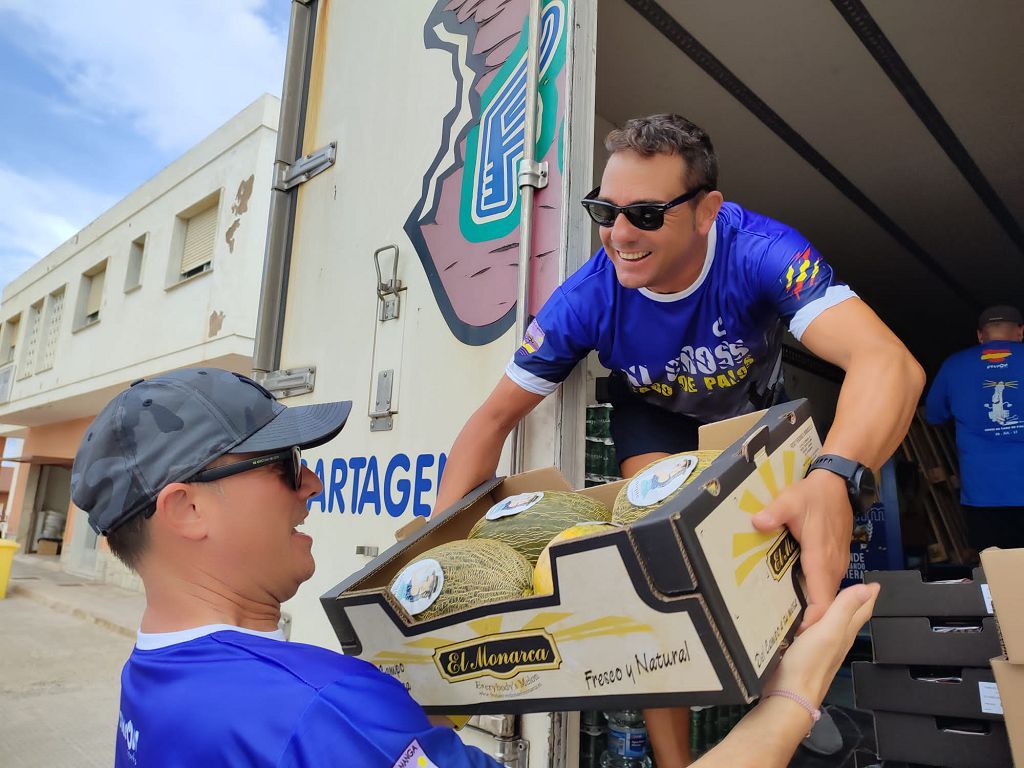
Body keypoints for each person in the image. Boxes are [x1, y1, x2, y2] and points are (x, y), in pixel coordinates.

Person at [72, 367, 877, 767]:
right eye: (285, 465)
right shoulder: (322, 713)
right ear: (186, 510)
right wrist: (793, 695)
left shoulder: (153, 683)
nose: (312, 482)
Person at [434, 114, 923, 765]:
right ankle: (673, 760)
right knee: (651, 560)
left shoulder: (761, 249)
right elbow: (491, 419)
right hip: (655, 421)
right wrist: (439, 548)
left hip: (749, 415)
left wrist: (834, 476)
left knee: (777, 552)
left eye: (644, 212)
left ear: (706, 211)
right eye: (604, 210)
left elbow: (890, 363)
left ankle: (794, 699)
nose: (620, 234)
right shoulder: (586, 297)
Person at [925, 305, 1024, 550]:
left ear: (981, 335)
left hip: (982, 493)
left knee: (995, 574)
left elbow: (934, 415)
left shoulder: (954, 365)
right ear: (1021, 332)